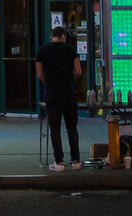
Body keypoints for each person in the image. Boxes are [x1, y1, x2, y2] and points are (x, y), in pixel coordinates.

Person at [35, 25, 82, 170]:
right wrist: (70, 81)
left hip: (52, 93)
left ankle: (59, 162)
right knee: (71, 128)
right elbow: (78, 71)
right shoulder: (70, 50)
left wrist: (49, 83)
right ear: (63, 36)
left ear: (52, 37)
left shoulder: (42, 51)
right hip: (68, 92)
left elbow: (40, 74)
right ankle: (76, 161)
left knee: (54, 128)